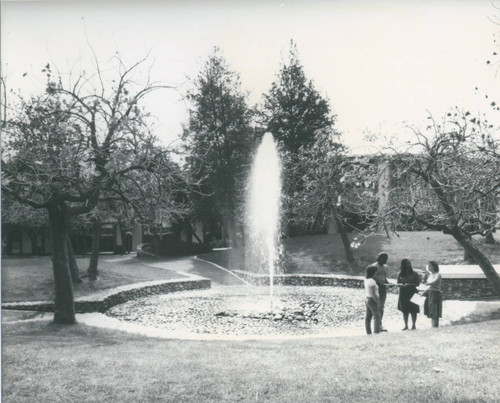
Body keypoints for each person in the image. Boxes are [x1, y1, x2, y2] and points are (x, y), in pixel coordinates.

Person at [396, 258, 421, 330]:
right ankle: (406, 325)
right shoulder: (400, 274)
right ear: (403, 265)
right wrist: (401, 285)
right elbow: (398, 283)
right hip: (403, 293)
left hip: (413, 292)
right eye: (407, 264)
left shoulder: (415, 273)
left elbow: (417, 284)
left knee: (414, 310)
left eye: (409, 263)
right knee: (405, 310)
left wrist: (409, 284)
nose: (409, 265)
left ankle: (414, 325)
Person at [368, 252, 389, 331]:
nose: (385, 261)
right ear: (379, 258)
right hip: (375, 289)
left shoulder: (386, 267)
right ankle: (375, 325)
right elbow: (370, 278)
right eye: (384, 259)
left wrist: (387, 283)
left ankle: (380, 325)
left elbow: (384, 277)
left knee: (381, 307)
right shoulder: (374, 266)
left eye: (386, 259)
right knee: (375, 307)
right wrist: (378, 283)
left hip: (383, 290)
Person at [423, 261, 442, 328]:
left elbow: (434, 282)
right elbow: (428, 286)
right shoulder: (430, 275)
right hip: (430, 293)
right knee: (431, 310)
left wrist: (428, 283)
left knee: (435, 310)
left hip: (435, 293)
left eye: (430, 266)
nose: (429, 267)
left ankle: (435, 326)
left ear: (434, 266)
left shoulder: (438, 274)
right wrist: (423, 292)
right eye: (428, 266)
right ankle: (433, 326)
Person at [364, 265, 382, 335]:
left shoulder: (366, 280)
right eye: (376, 272)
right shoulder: (372, 281)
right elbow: (373, 294)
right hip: (372, 300)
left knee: (368, 317)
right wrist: (378, 302)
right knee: (377, 316)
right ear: (373, 272)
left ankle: (368, 332)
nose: (377, 273)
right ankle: (376, 332)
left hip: (367, 298)